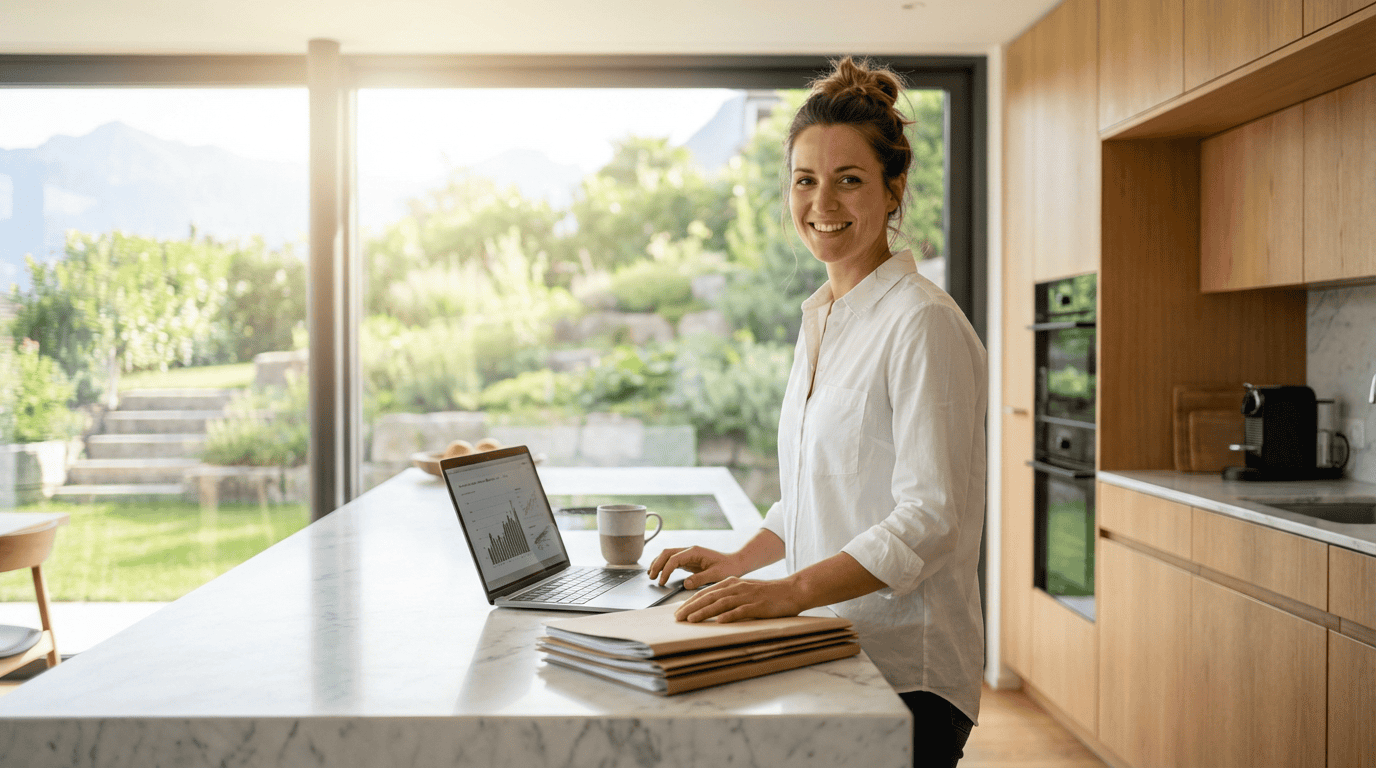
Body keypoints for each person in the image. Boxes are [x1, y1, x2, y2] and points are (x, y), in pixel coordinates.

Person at [647, 56, 986, 768]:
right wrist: (742, 560)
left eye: (849, 179)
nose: (822, 201)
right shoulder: (824, 318)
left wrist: (789, 591)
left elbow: (929, 518)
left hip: (903, 676)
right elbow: (823, 484)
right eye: (805, 180)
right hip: (829, 648)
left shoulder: (921, 323)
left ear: (894, 190)